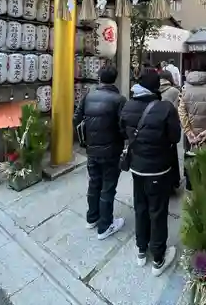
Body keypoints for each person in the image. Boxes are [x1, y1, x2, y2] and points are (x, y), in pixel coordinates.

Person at [120, 71, 180, 276]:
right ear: (157, 88)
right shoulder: (165, 108)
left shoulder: (128, 105)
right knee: (158, 211)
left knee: (140, 207)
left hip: (137, 167)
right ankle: (158, 259)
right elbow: (176, 137)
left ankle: (140, 251)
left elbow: (122, 132)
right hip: (159, 169)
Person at [73, 66, 127, 240]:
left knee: (94, 183)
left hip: (92, 149)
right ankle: (105, 226)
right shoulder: (119, 100)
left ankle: (92, 217)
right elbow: (123, 127)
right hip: (112, 151)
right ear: (115, 79)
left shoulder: (89, 96)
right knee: (108, 187)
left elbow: (76, 119)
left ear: (99, 79)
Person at [178, 61, 206, 191]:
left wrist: (188, 132)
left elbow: (181, 111)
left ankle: (191, 185)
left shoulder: (185, 88)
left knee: (191, 158)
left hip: (191, 136)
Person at [159, 70, 181, 192]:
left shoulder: (153, 89)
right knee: (171, 154)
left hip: (155, 127)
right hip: (170, 127)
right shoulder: (175, 91)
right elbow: (178, 110)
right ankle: (172, 182)